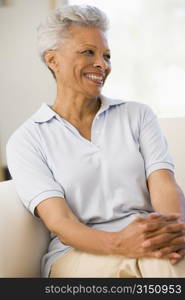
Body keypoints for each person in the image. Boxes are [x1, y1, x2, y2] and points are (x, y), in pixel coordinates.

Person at [6, 5, 185, 278]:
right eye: (88, 52)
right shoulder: (27, 140)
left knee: (164, 261)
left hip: (148, 239)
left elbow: (164, 184)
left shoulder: (138, 115)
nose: (102, 64)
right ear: (52, 60)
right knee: (161, 265)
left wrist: (172, 234)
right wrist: (120, 243)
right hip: (78, 254)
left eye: (107, 55)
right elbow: (60, 222)